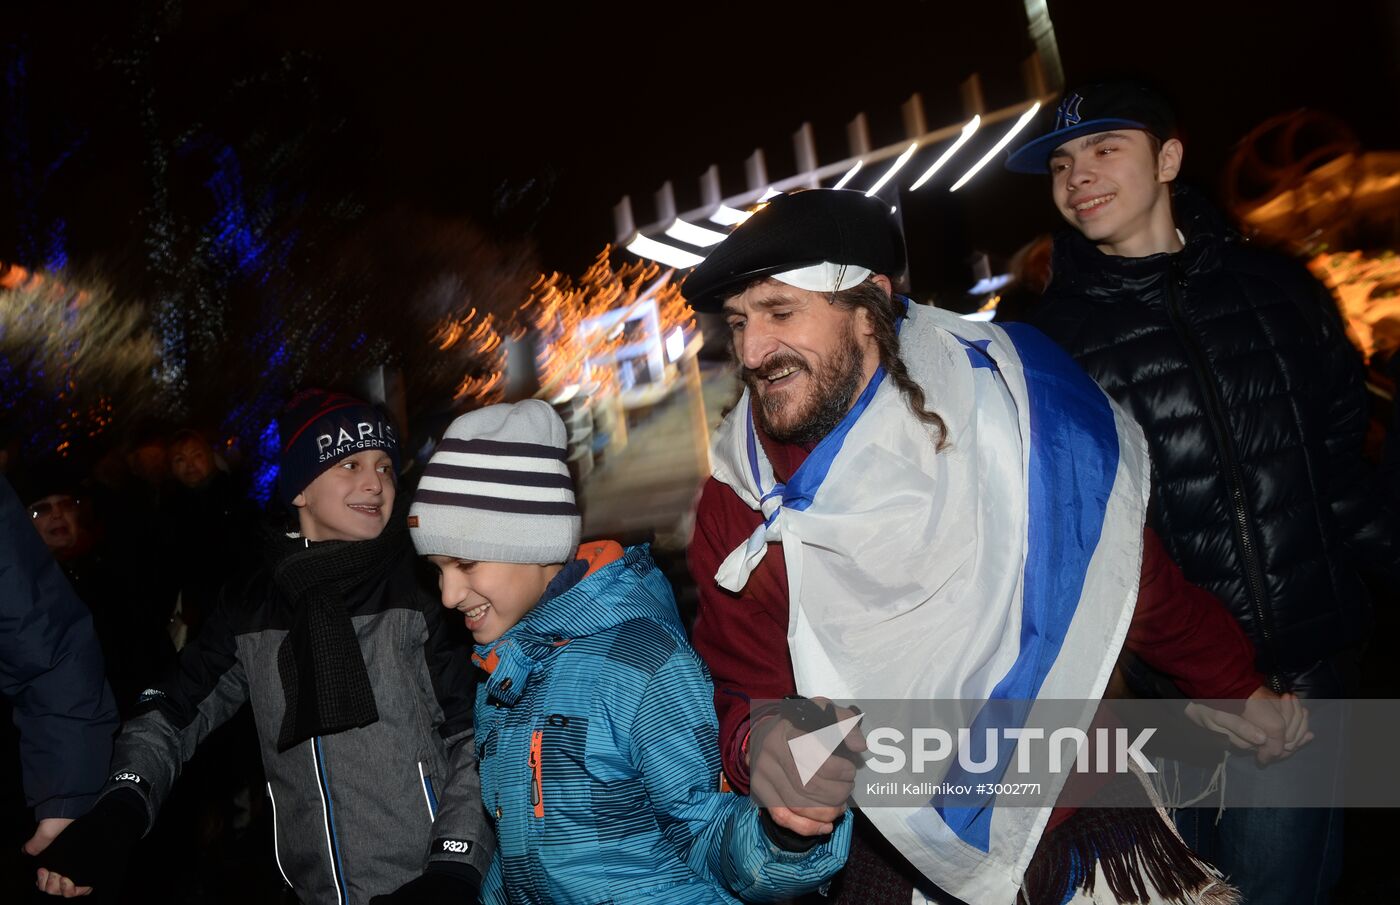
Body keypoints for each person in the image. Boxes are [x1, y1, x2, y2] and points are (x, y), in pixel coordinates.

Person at [681, 188, 1307, 904]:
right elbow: (741, 686)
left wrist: (1233, 686)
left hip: (1075, 815)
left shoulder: (1005, 409)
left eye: (780, 311)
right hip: (896, 849)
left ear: (868, 304)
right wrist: (763, 749)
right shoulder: (739, 495)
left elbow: (1120, 573)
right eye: (739, 322)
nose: (753, 351)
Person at [1006, 80, 1400, 904]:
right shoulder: (1048, 348)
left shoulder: (1279, 291)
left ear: (1169, 158)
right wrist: (1201, 679)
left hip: (1308, 673)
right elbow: (1078, 543)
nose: (1079, 175)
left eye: (1106, 149)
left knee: (1280, 888)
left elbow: (1342, 475)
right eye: (1062, 163)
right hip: (1162, 698)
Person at [35, 389, 492, 904]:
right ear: (299, 490)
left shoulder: (425, 588)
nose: (375, 481)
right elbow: (172, 711)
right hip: (311, 890)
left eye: (385, 465)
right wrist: (120, 806)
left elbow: (477, 734)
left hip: (428, 883)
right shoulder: (253, 604)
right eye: (350, 464)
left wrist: (454, 866)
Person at [409, 400, 852, 904]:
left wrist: (784, 837)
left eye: (465, 563)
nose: (447, 595)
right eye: (438, 570)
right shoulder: (503, 674)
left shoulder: (642, 667)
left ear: (535, 546)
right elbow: (519, 859)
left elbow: (706, 833)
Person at [0, 476, 118, 870]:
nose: (54, 515)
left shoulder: (114, 572)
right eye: (40, 508)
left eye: (62, 504)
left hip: (100, 737)